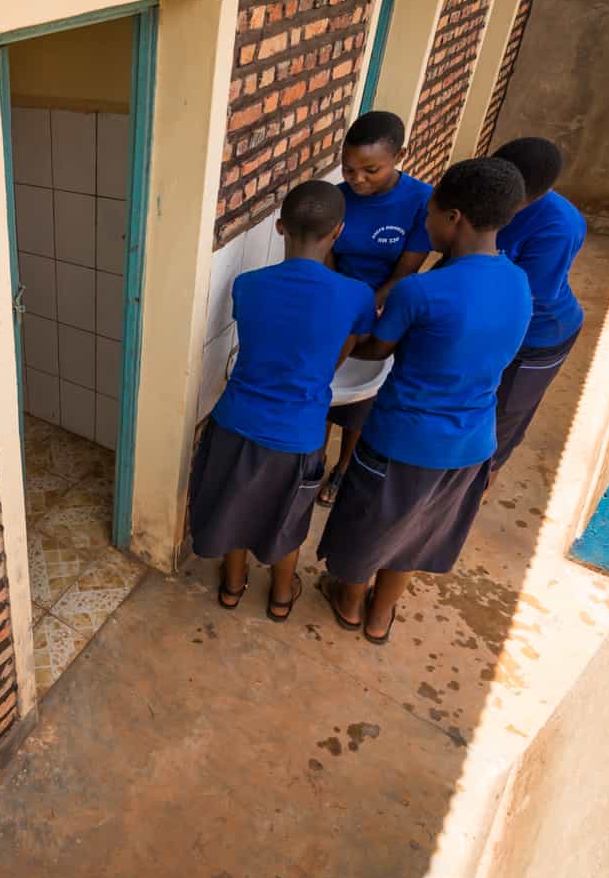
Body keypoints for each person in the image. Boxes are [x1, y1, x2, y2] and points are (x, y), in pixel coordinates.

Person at [315, 158, 532, 644]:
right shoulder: (517, 281)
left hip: (402, 442)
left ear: (453, 217)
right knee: (418, 530)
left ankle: (349, 602)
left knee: (366, 527)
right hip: (472, 445)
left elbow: (374, 351)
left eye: (429, 213)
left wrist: (334, 338)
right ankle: (380, 616)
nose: (425, 222)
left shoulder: (421, 290)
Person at [190, 181, 376, 620]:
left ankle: (233, 586)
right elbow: (349, 343)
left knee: (233, 508)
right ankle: (279, 596)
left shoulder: (248, 284)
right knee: (288, 521)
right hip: (299, 435)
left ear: (279, 228)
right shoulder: (356, 294)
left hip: (235, 422)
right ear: (338, 232)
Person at [319, 110, 435, 505]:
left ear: (400, 155)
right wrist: (342, 299)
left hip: (384, 309)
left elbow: (407, 271)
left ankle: (343, 467)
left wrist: (367, 308)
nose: (357, 180)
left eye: (370, 170)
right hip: (339, 302)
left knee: (359, 397)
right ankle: (313, 461)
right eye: (349, 169)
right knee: (324, 386)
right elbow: (328, 254)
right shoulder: (338, 197)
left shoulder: (420, 201)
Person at [488, 137, 587, 485]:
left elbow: (524, 301)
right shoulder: (490, 196)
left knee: (503, 417)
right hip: (493, 320)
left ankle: (479, 486)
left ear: (531, 196)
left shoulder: (558, 227)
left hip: (538, 336)